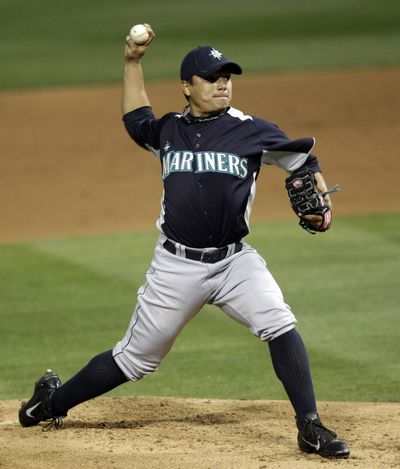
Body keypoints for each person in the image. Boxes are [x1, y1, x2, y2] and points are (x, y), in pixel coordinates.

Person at [19, 25, 350, 459]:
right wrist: (132, 62)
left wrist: (321, 205)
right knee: (135, 360)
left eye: (227, 76)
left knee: (279, 322)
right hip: (176, 267)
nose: (223, 84)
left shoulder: (252, 130)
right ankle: (49, 403)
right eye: (212, 77)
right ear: (186, 87)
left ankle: (310, 427)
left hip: (235, 263)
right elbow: (135, 118)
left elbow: (303, 159)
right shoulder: (169, 130)